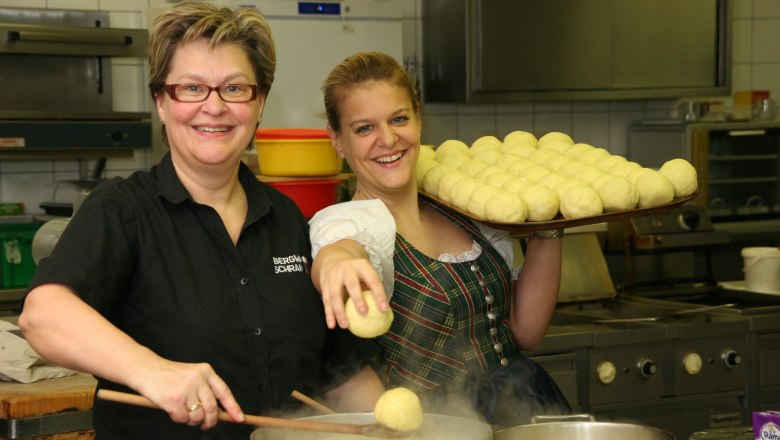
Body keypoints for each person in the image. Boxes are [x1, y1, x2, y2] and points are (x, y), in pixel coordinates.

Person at [18, 3, 381, 439]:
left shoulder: (286, 216)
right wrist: (153, 371)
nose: (214, 107)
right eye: (191, 88)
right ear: (162, 103)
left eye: (234, 88)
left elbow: (340, 373)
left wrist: (393, 427)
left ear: (259, 102)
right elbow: (43, 316)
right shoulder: (123, 209)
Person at [309, 51, 572, 427]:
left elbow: (526, 331)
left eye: (399, 119)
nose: (387, 139)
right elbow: (338, 249)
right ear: (337, 140)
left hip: (525, 403)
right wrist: (337, 260)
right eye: (364, 128)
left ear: (419, 119)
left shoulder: (465, 211)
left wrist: (554, 220)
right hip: (437, 426)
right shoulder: (347, 224)